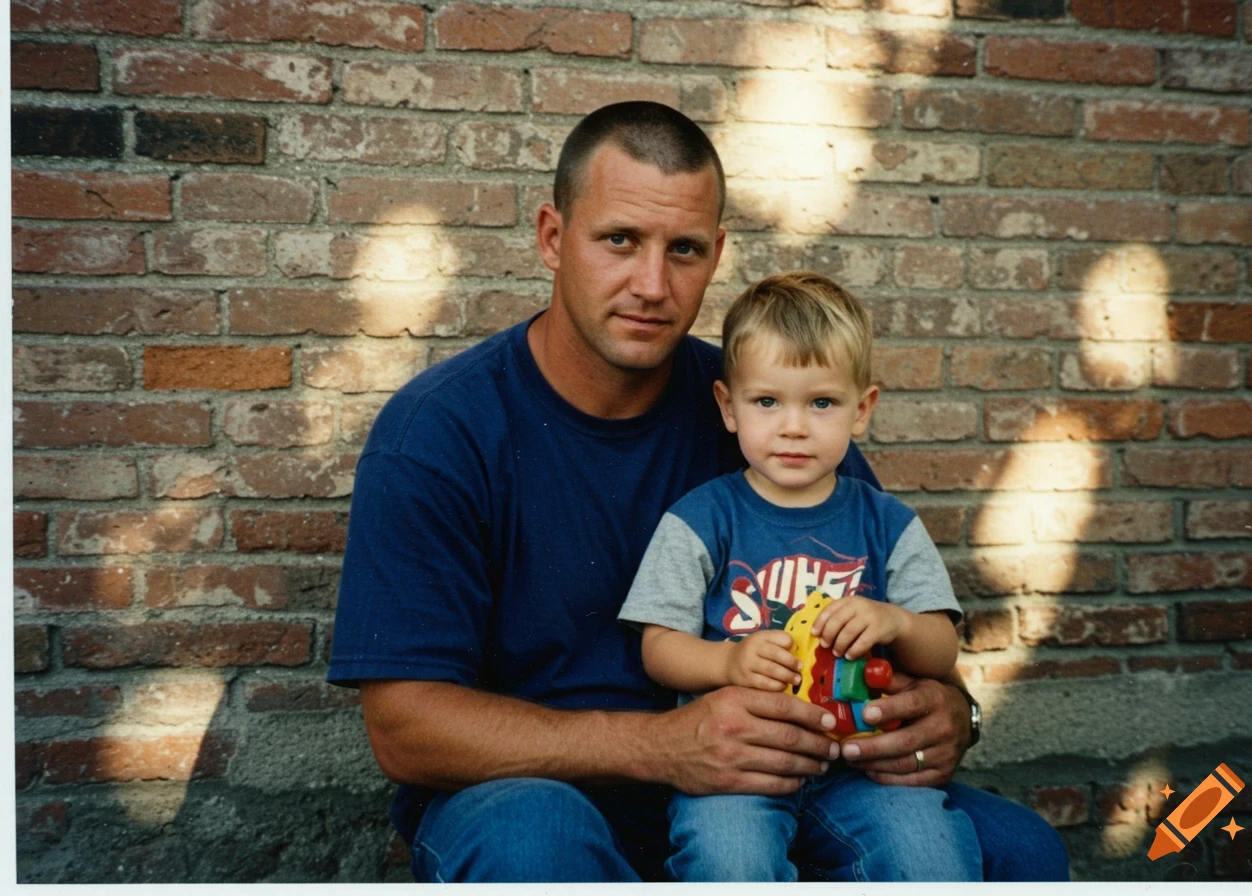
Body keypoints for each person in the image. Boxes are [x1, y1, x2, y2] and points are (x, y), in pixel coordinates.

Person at [327, 100, 1069, 882]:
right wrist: (665, 749)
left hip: (776, 784)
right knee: (536, 837)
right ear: (553, 237)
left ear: (716, 256)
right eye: (619, 240)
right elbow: (404, 730)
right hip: (541, 788)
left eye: (682, 249)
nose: (651, 283)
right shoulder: (441, 432)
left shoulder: (767, 409)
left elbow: (903, 634)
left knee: (1019, 850)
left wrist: (951, 715)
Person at [618, 271, 979, 880]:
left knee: (928, 850)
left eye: (821, 402)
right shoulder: (701, 519)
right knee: (730, 859)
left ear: (861, 409)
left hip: (864, 768)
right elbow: (659, 646)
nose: (793, 426)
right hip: (740, 770)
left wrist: (895, 621)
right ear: (727, 408)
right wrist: (727, 664)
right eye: (767, 402)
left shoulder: (887, 522)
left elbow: (942, 648)